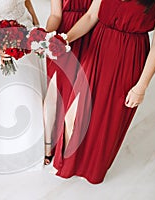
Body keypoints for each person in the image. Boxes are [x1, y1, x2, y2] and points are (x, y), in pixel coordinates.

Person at [54, 0, 155, 184]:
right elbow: (90, 16)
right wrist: (64, 40)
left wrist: (141, 86)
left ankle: (91, 168)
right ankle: (68, 163)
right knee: (73, 113)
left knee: (104, 118)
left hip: (128, 56)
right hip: (97, 46)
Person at [0, 0, 47, 173]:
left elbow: (26, 2)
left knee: (32, 94)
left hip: (28, 39)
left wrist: (36, 25)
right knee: (16, 95)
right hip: (4, 43)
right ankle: (13, 149)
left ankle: (35, 145)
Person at [44, 0, 93, 165]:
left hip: (91, 33)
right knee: (53, 91)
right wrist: (48, 36)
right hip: (64, 34)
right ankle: (48, 144)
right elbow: (55, 14)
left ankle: (71, 144)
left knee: (79, 92)